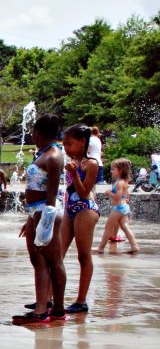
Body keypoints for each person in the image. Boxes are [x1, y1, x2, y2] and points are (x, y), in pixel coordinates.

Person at [13, 114, 67, 325]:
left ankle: (57, 308)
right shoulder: (45, 153)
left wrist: (45, 221)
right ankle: (41, 305)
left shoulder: (53, 156)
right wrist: (31, 219)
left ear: (38, 133)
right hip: (36, 211)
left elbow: (53, 192)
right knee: (38, 260)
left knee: (54, 261)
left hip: (47, 211)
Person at [60, 124, 101, 314]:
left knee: (83, 255)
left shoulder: (90, 163)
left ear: (82, 142)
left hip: (85, 209)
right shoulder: (71, 160)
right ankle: (49, 298)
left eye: (69, 144)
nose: (66, 148)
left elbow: (84, 193)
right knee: (56, 254)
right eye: (64, 144)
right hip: (69, 209)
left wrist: (74, 173)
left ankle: (81, 301)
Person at [96, 158, 139, 255]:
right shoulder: (123, 181)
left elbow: (117, 197)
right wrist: (126, 199)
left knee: (108, 227)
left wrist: (109, 193)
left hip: (118, 208)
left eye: (113, 169)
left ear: (120, 170)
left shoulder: (119, 183)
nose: (111, 171)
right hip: (123, 207)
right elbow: (126, 194)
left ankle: (101, 248)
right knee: (125, 227)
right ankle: (134, 246)